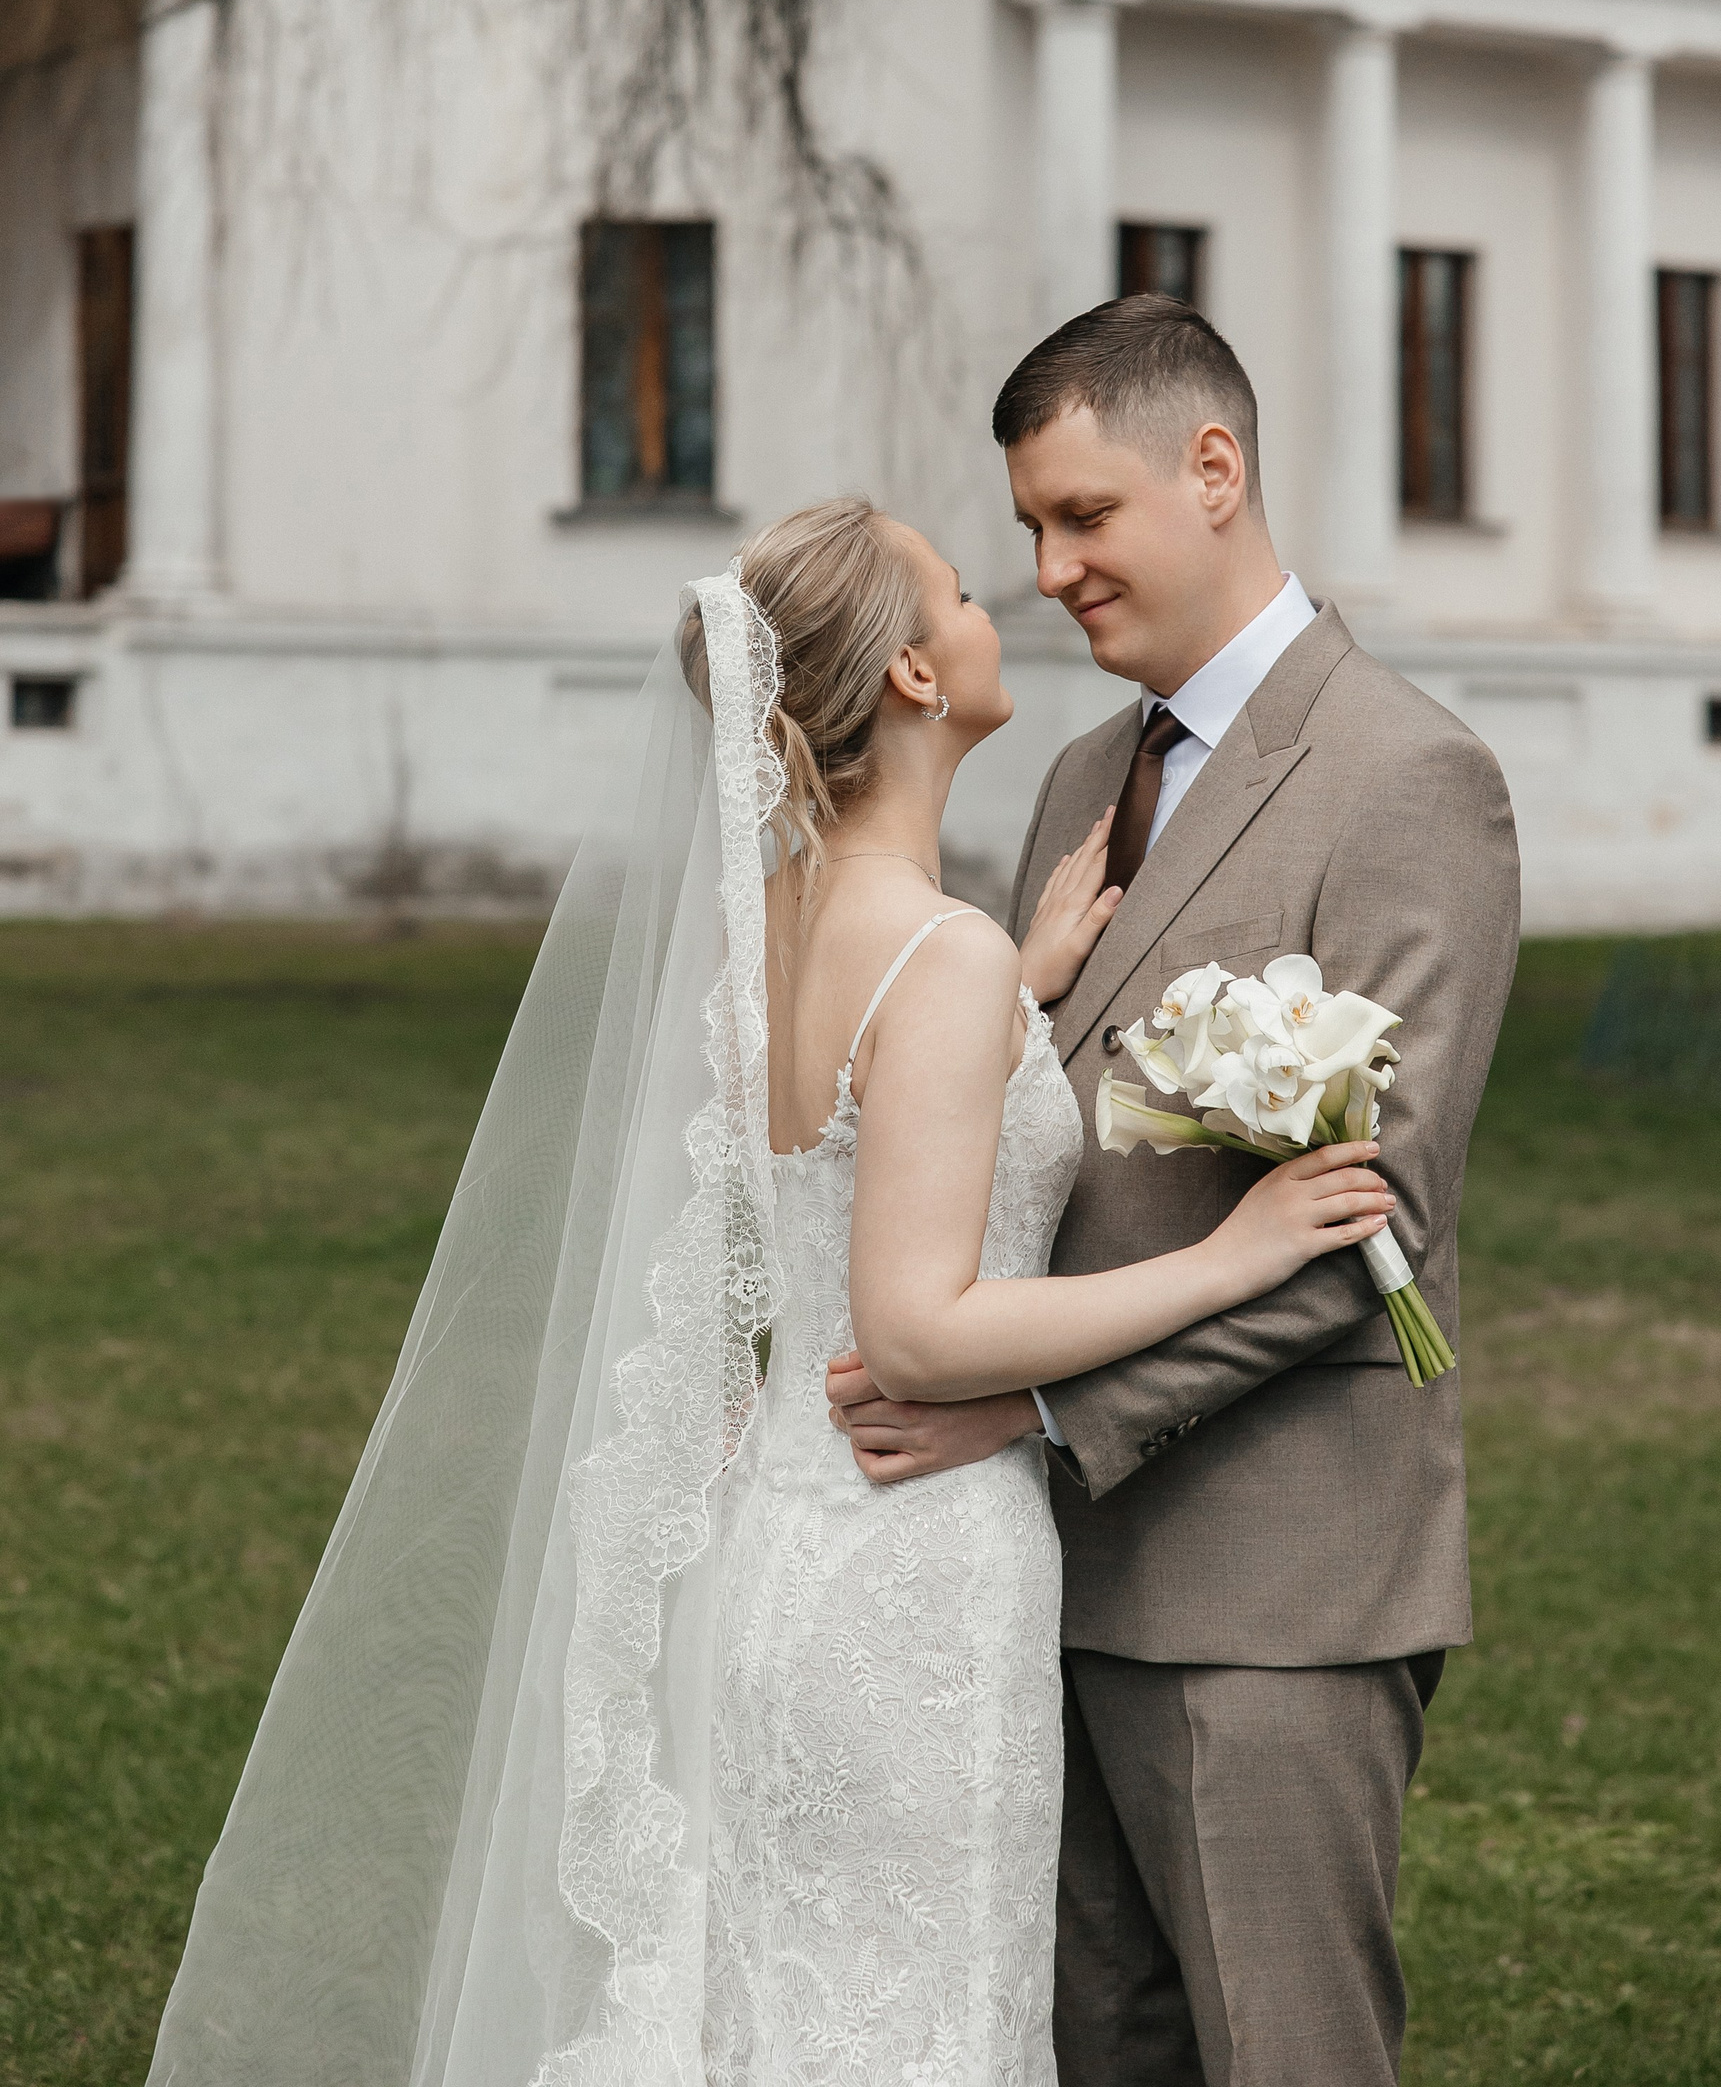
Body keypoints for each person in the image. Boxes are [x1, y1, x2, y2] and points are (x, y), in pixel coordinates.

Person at [141, 487, 1392, 2087]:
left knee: (780, 2010)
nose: (998, 601)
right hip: (915, 1576)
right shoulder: (933, 955)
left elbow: (852, 1144)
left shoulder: (782, 936)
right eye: (960, 591)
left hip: (781, 1548)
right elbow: (918, 1329)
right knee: (914, 2022)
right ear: (916, 675)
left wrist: (1018, 990)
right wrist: (1229, 1258)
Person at [827, 295, 1523, 2087]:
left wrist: (1040, 1412)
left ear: (1213, 470)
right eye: (1030, 531)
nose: (1049, 571)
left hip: (1263, 1588)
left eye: (1083, 516)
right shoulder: (1081, 775)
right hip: (1019, 1581)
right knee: (1090, 2053)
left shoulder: (1407, 776)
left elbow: (1371, 1234)